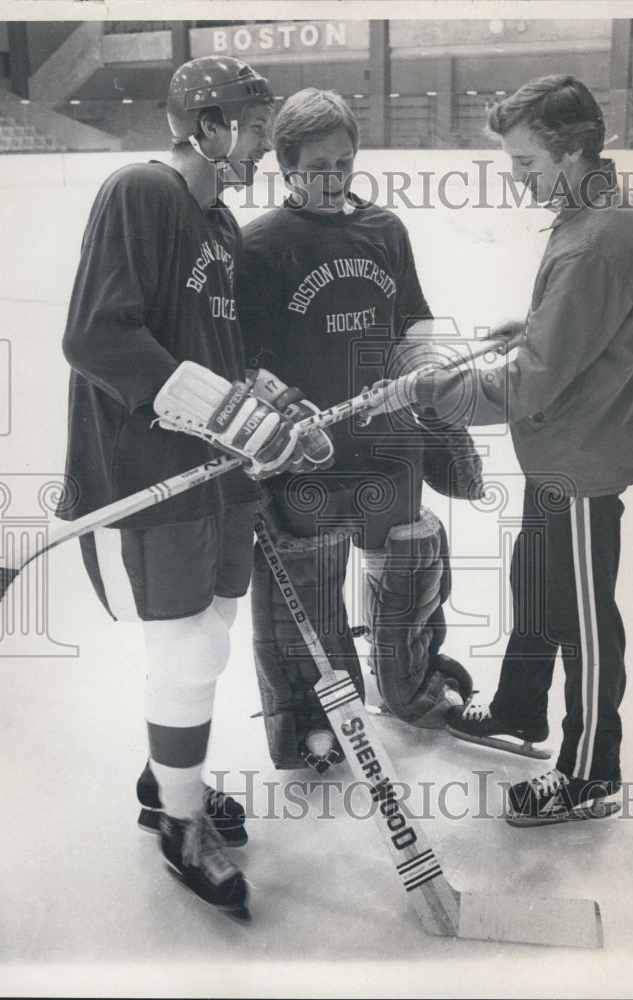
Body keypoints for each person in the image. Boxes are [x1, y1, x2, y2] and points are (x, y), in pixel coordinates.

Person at [57, 56, 328, 920]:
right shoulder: (141, 192)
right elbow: (96, 337)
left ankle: (161, 779)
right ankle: (180, 829)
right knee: (184, 652)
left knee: (207, 639)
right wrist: (221, 408)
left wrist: (269, 403)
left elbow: (220, 356)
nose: (260, 142)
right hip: (153, 472)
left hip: (215, 473)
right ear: (205, 125)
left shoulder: (218, 226)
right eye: (250, 124)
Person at [408, 75, 633, 826]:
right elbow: (576, 328)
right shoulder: (587, 215)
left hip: (580, 464)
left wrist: (438, 396)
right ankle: (521, 708)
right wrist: (531, 323)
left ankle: (589, 772)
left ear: (574, 148)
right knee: (536, 590)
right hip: (555, 455)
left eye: (524, 163)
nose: (516, 180)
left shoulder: (596, 240)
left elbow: (533, 382)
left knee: (581, 618)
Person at [236, 88, 479, 774]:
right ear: (287, 166)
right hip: (306, 456)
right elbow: (243, 360)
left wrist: (422, 380)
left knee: (406, 565)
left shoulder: (385, 230)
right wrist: (281, 412)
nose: (334, 177)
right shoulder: (258, 247)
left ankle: (410, 682)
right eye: (317, 166)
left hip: (388, 443)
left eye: (344, 162)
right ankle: (317, 718)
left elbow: (413, 322)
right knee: (307, 598)